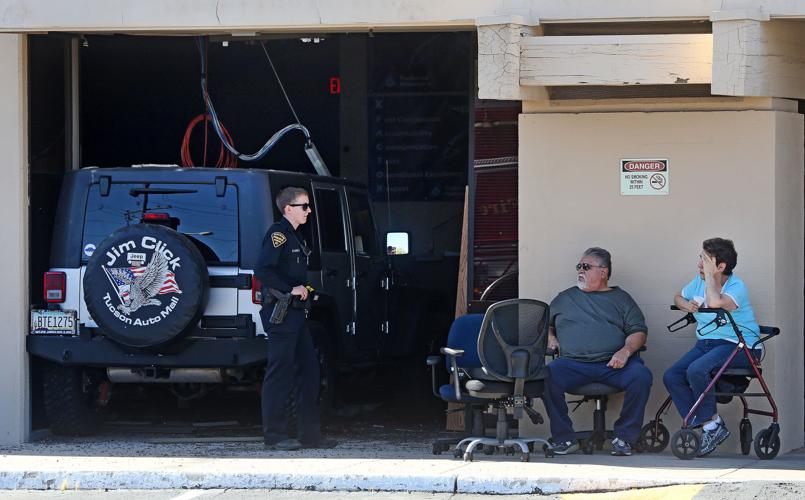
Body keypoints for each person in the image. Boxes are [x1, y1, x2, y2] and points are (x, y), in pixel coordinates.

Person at [543, 247, 652, 456]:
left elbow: (639, 332)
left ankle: (624, 438)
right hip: (573, 364)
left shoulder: (621, 299)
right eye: (578, 266)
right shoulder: (564, 298)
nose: (580, 271)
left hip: (613, 365)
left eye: (586, 266)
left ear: (604, 272)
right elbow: (546, 324)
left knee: (641, 376)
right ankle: (564, 438)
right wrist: (551, 337)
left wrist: (625, 351)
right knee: (546, 375)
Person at [663, 237, 761, 457]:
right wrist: (687, 305)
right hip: (707, 344)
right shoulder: (698, 280)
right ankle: (711, 425)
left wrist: (710, 277)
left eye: (705, 260)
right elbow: (678, 296)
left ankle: (710, 425)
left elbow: (716, 302)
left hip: (740, 346)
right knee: (672, 375)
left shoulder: (736, 286)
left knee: (697, 370)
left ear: (720, 266)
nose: (699, 264)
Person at [255, 186, 332, 451]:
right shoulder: (278, 235)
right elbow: (263, 270)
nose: (309, 211)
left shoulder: (295, 236)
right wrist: (290, 290)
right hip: (281, 313)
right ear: (288, 209)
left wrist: (304, 289)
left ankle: (309, 435)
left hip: (296, 315)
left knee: (310, 372)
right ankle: (274, 437)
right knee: (280, 373)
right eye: (304, 206)